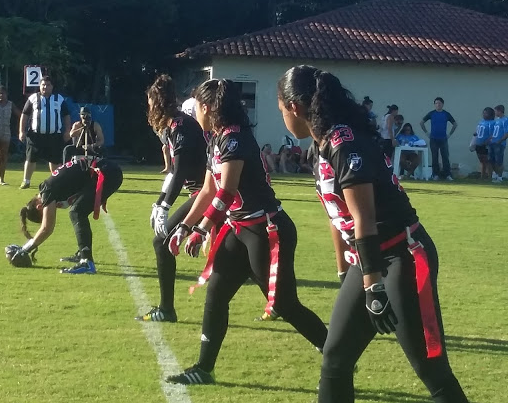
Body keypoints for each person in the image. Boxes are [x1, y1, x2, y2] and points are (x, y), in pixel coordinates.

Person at [277, 65, 469, 403]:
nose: (283, 118)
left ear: (294, 107)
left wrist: (373, 285)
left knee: (432, 370)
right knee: (335, 359)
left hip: (402, 256)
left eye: (280, 109)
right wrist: (345, 271)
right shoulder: (319, 146)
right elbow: (340, 220)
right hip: (368, 260)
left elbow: (363, 218)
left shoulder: (342, 142)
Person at [165, 78, 327, 385]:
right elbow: (208, 189)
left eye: (197, 106)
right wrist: (186, 225)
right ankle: (203, 368)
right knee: (216, 293)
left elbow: (227, 190)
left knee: (283, 304)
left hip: (264, 228)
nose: (194, 113)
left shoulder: (234, 138)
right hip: (240, 226)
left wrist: (201, 229)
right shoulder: (217, 137)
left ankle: (335, 355)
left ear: (208, 107)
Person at [136, 74, 208, 322]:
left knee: (161, 242)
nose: (148, 108)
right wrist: (159, 202)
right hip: (203, 192)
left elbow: (181, 170)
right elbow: (175, 172)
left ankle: (167, 309)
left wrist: (165, 205)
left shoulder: (181, 126)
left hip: (208, 193)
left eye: (149, 102)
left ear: (156, 102)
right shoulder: (174, 126)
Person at [6, 156, 123, 273]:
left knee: (76, 212)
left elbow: (46, 228)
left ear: (39, 207)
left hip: (107, 172)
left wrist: (25, 249)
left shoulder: (47, 191)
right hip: (108, 170)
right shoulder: (50, 187)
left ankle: (86, 261)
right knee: (77, 210)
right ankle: (83, 253)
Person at [18, 76, 71, 189]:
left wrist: (67, 131)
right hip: (35, 135)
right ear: (40, 86)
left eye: (47, 85)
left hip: (54, 135)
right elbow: (24, 115)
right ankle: (26, 181)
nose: (45, 87)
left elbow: (66, 116)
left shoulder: (59, 99)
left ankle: (56, 181)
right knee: (30, 158)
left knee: (55, 160)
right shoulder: (33, 98)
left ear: (52, 87)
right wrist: (21, 131)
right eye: (43, 85)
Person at [420, 97, 457, 181]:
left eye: (439, 103)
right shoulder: (431, 113)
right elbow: (421, 122)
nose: (438, 105)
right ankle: (435, 174)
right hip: (433, 138)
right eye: (436, 103)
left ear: (442, 104)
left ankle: (447, 174)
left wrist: (449, 134)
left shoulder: (446, 114)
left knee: (445, 157)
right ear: (434, 105)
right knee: (434, 157)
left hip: (443, 138)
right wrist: (426, 133)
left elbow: (454, 124)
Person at [474, 107, 495, 180]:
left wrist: (488, 141)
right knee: (482, 161)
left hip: (486, 144)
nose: (484, 114)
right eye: (483, 112)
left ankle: (489, 177)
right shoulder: (481, 121)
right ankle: (482, 176)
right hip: (479, 143)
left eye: (486, 113)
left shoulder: (492, 123)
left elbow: (493, 134)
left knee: (488, 161)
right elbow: (478, 130)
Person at [489, 104, 508, 183]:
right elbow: (494, 131)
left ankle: (500, 177)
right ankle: (496, 175)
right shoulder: (496, 120)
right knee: (492, 160)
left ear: (500, 111)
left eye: (496, 111)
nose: (495, 113)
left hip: (499, 143)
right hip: (492, 142)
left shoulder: (505, 120)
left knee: (499, 161)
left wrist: (500, 141)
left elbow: (507, 132)